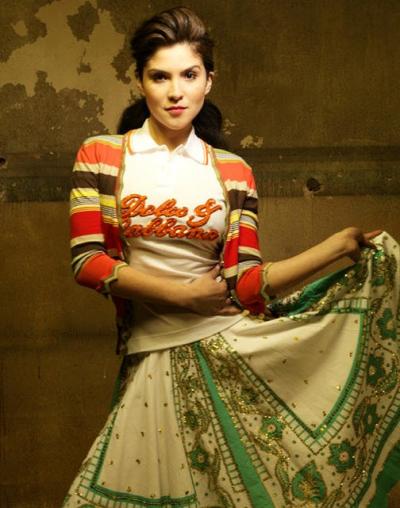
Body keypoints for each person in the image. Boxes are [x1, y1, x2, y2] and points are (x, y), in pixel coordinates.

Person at [64, 6, 399, 508]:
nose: (175, 92)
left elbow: (245, 283)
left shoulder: (233, 171)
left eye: (189, 75)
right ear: (139, 81)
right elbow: (88, 262)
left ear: (208, 81)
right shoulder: (102, 155)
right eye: (160, 76)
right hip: (151, 350)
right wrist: (184, 295)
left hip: (225, 347)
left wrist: (335, 247)